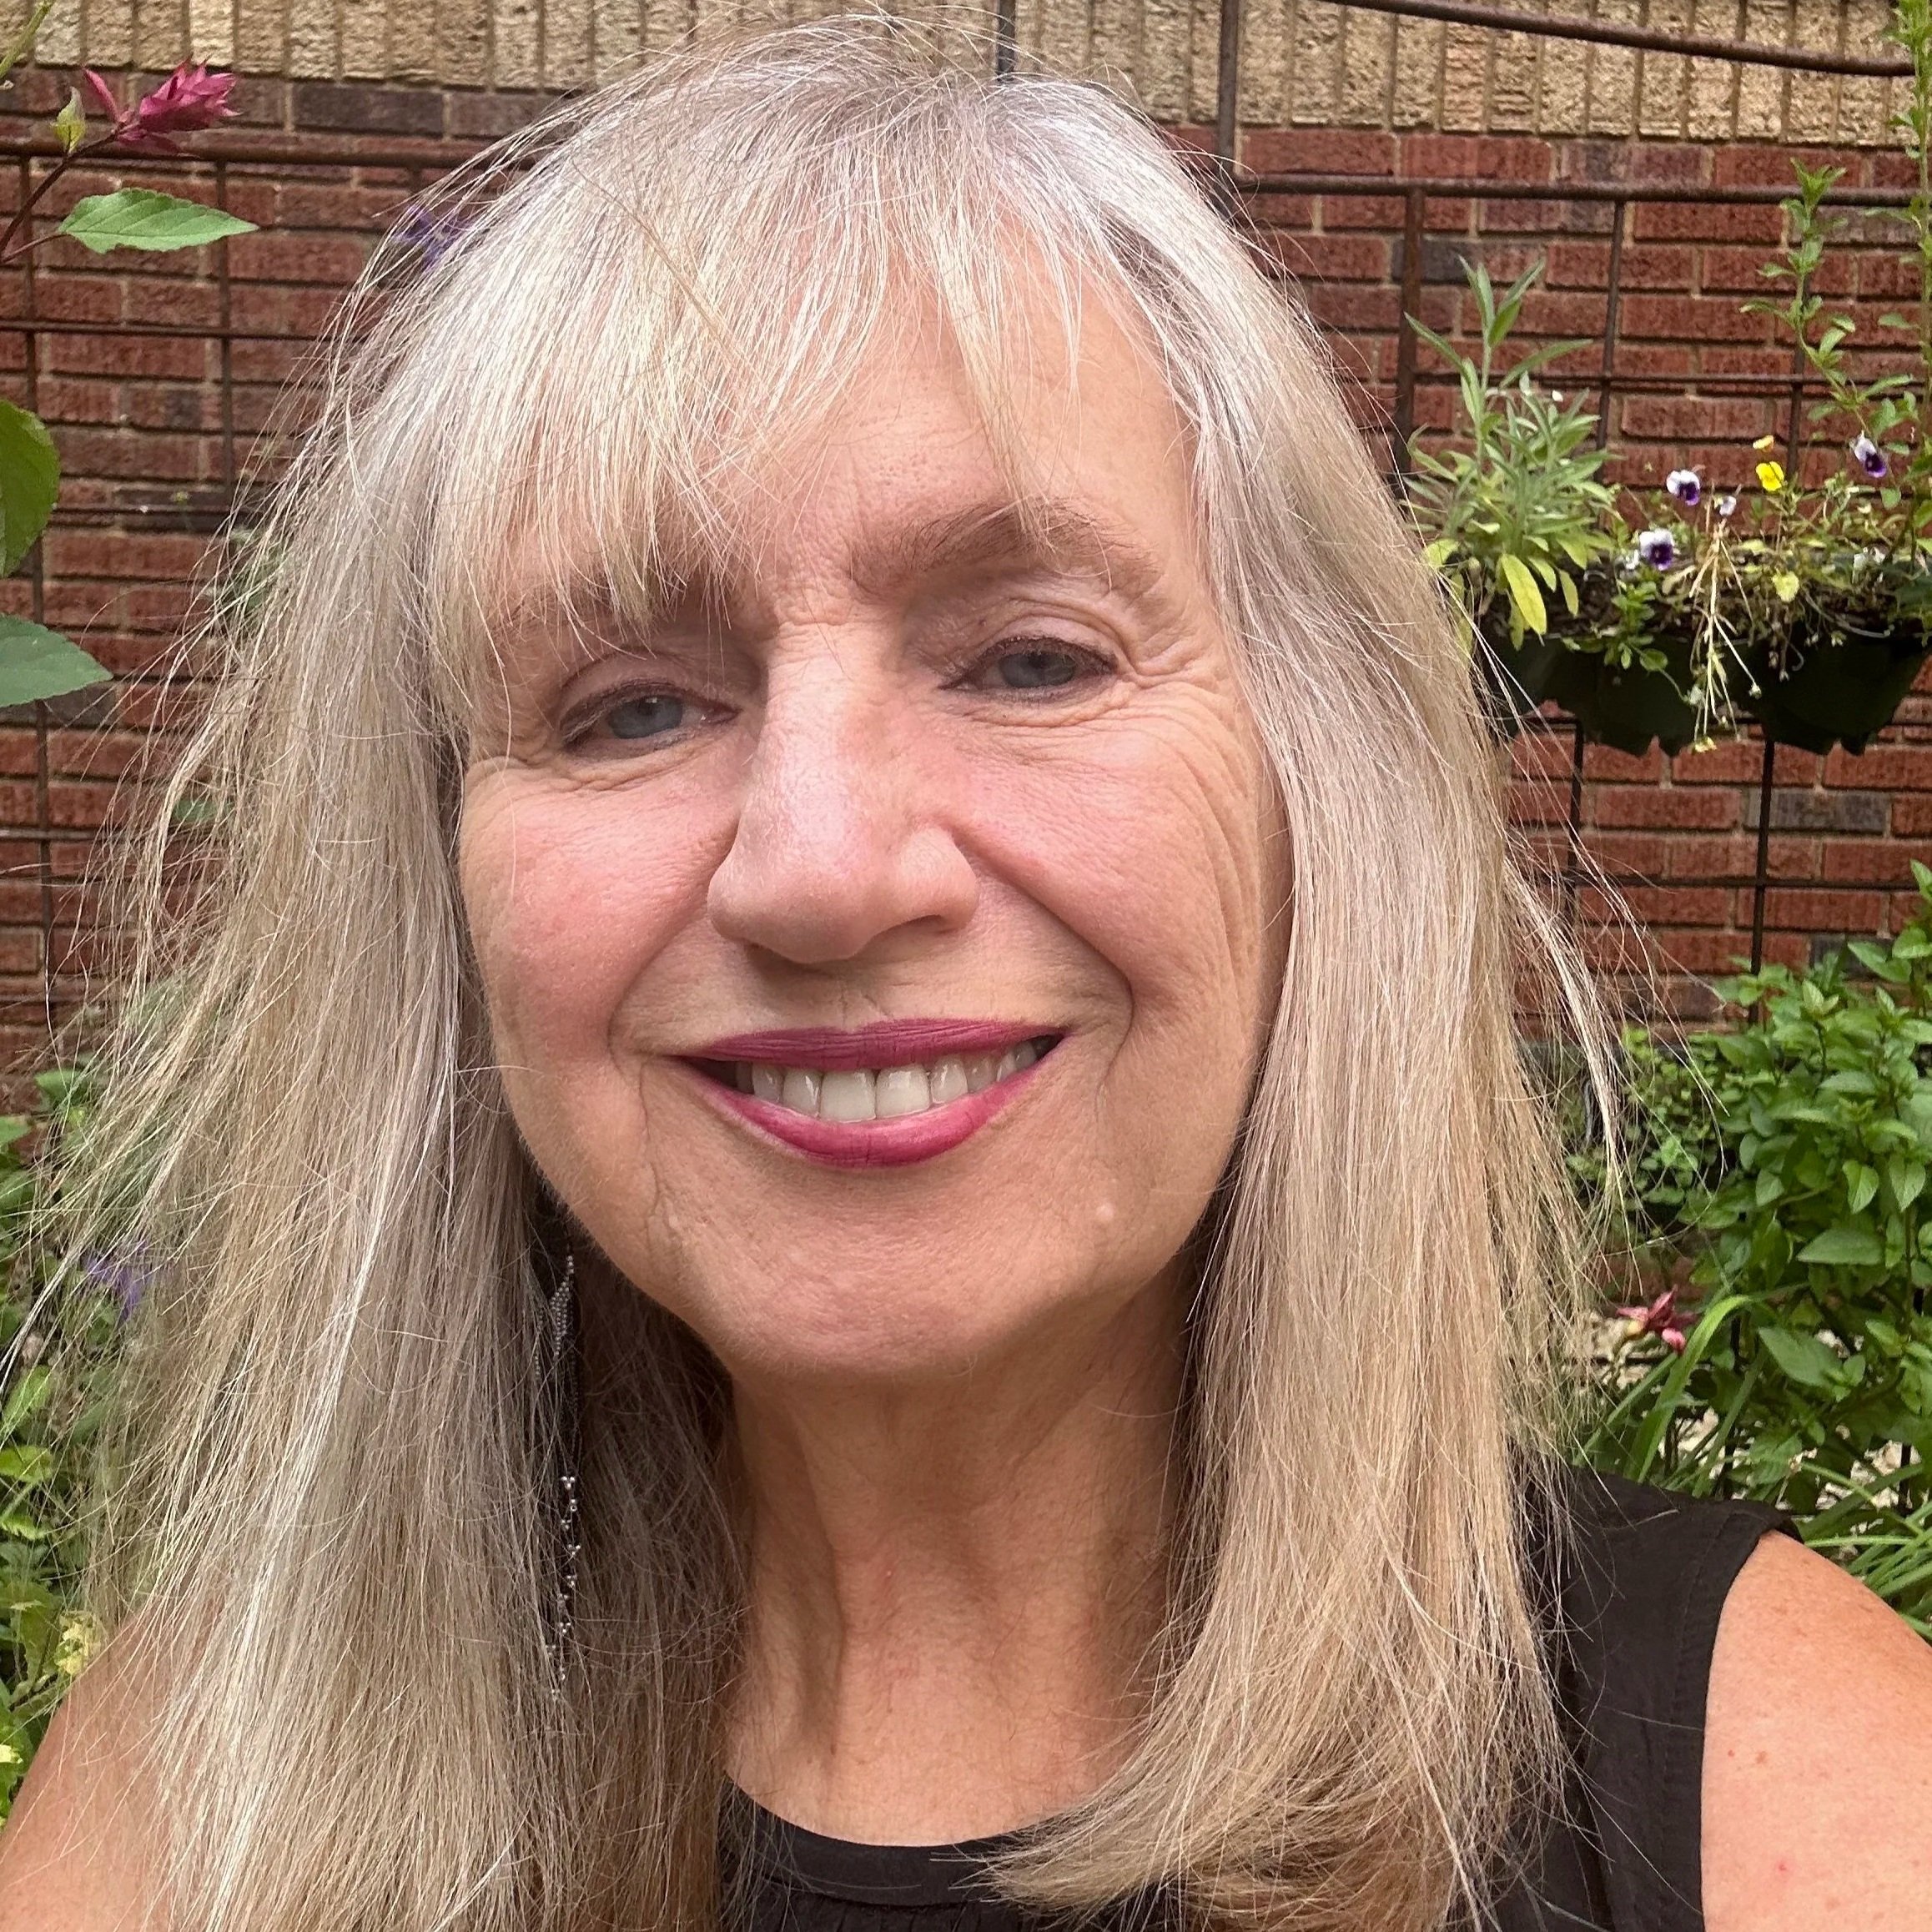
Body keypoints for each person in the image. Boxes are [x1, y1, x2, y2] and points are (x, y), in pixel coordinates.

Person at [1, 19, 1929, 1932]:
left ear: (1315, 800)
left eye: (1032, 657)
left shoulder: (1786, 1803)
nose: (823, 868)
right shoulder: (201, 1802)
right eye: (629, 706)